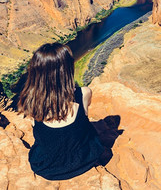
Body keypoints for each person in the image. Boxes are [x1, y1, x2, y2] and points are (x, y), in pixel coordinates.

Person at [17, 43, 106, 180]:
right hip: (84, 160)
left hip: (45, 167)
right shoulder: (84, 93)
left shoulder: (30, 102)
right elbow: (84, 118)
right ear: (67, 70)